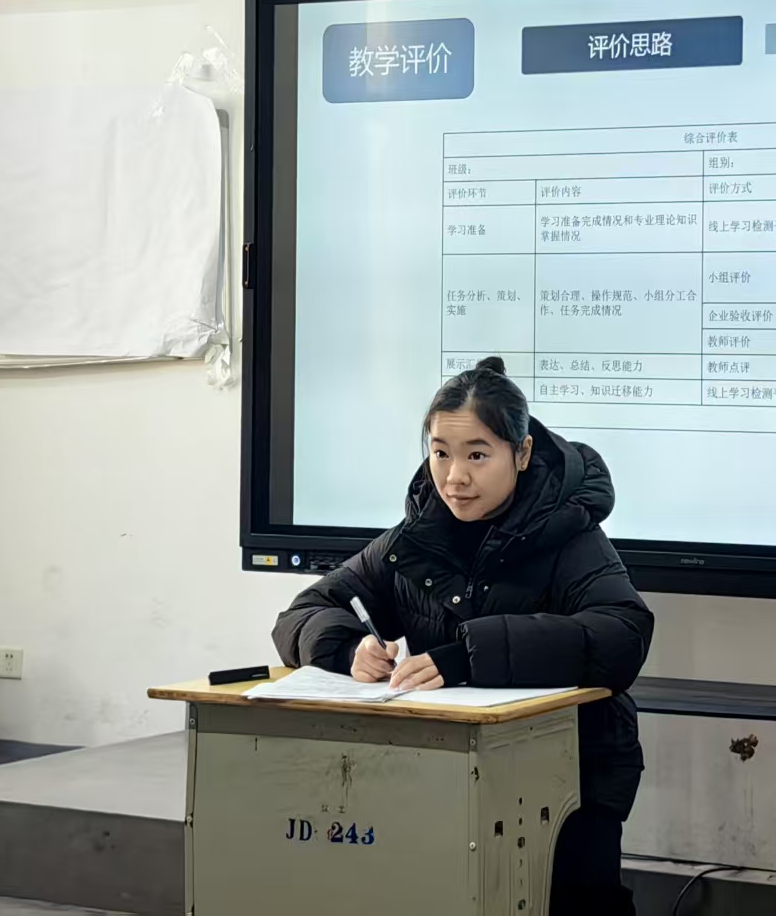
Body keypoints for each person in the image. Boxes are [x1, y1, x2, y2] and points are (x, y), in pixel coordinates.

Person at [273, 356, 653, 915]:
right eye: (440, 453)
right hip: (446, 773)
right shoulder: (416, 537)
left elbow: (622, 634)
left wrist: (469, 656)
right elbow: (306, 610)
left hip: (573, 773)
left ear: (521, 453)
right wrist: (348, 648)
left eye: (477, 455)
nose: (454, 477)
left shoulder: (570, 534)